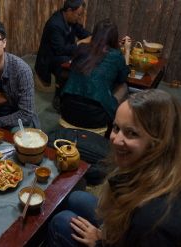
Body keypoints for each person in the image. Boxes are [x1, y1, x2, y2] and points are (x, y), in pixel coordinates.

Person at [48, 89, 181, 246]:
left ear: (159, 143)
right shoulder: (159, 166)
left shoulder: (153, 221)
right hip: (122, 232)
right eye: (116, 128)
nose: (116, 140)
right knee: (76, 197)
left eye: (131, 133)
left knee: (61, 222)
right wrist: (106, 234)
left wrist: (98, 243)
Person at [60, 19, 131, 132]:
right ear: (114, 37)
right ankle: (115, 127)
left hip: (67, 108)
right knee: (123, 87)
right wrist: (127, 51)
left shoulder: (81, 48)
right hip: (95, 117)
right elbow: (123, 77)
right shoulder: (116, 55)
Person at [35, 0, 91, 109]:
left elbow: (84, 34)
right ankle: (59, 96)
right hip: (49, 59)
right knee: (66, 62)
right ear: (69, 11)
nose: (79, 17)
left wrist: (95, 37)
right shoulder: (54, 24)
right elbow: (60, 50)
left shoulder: (71, 21)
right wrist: (80, 42)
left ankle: (77, 95)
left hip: (61, 55)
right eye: (78, 14)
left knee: (80, 57)